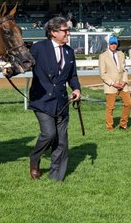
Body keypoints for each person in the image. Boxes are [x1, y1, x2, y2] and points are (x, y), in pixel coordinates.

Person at [28, 16, 81, 181]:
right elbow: (24, 64)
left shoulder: (69, 51)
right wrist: (10, 71)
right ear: (53, 32)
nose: (68, 33)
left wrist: (77, 89)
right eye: (65, 31)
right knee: (49, 134)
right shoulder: (38, 48)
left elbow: (72, 76)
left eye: (68, 30)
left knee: (62, 142)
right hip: (42, 100)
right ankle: (35, 159)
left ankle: (56, 177)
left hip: (62, 102)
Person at [98, 36, 131, 131]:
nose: (113, 45)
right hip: (111, 86)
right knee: (110, 107)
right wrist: (113, 83)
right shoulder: (103, 56)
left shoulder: (121, 54)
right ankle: (109, 126)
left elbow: (125, 69)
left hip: (122, 85)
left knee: (128, 104)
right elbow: (103, 73)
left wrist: (124, 81)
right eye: (111, 43)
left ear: (117, 44)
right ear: (109, 44)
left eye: (115, 44)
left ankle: (123, 124)